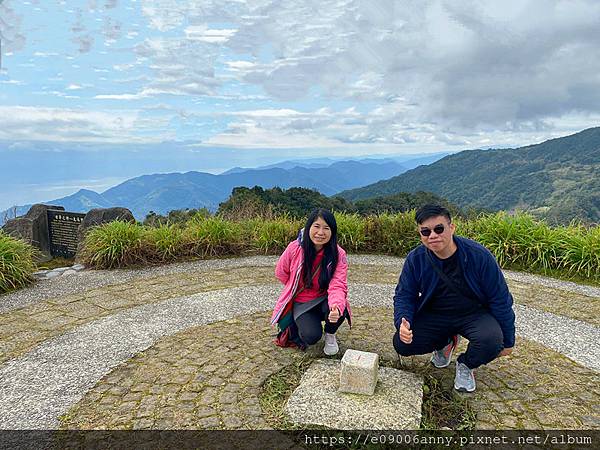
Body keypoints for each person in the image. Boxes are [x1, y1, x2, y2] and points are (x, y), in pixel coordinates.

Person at [393, 204, 515, 392]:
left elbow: (500, 298)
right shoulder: (416, 259)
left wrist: (508, 340)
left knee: (492, 342)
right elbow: (404, 294)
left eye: (439, 229)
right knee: (402, 344)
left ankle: (466, 364)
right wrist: (403, 322)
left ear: (452, 228)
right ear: (420, 235)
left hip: (474, 314)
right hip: (435, 313)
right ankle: (446, 343)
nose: (432, 235)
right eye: (425, 232)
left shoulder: (478, 255)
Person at [270, 208, 351, 355]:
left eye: (326, 228)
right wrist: (294, 286)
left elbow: (338, 283)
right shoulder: (294, 248)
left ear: (332, 232)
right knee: (310, 337)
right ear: (308, 227)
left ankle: (330, 334)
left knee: (342, 308)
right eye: (316, 226)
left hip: (325, 298)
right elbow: (281, 273)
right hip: (302, 302)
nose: (321, 232)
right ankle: (301, 323)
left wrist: (336, 306)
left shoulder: (338, 254)